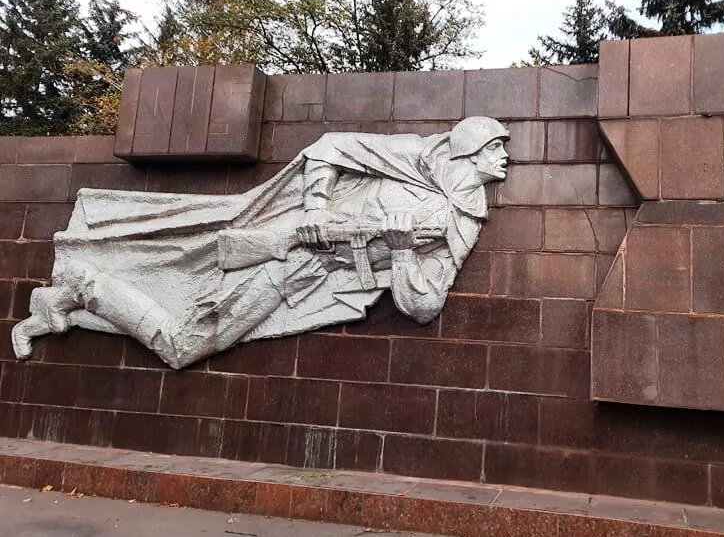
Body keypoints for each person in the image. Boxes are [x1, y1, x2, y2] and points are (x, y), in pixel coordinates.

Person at [11, 117, 509, 369]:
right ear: (469, 150)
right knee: (183, 341)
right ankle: (82, 289)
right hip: (285, 248)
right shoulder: (412, 157)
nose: (506, 158)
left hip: (304, 279)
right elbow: (330, 145)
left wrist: (401, 250)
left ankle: (72, 299)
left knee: (182, 342)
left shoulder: (462, 222)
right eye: (496, 147)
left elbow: (424, 307)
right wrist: (316, 209)